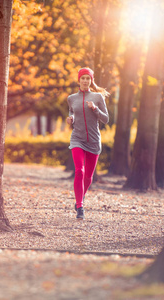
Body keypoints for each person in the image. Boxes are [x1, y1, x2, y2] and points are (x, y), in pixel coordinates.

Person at [66, 67, 110, 220]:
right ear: (79, 80)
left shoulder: (98, 97)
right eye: (82, 78)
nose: (85, 81)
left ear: (91, 81)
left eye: (88, 78)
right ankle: (80, 207)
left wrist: (95, 109)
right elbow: (72, 111)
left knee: (89, 176)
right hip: (77, 138)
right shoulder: (71, 98)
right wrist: (70, 118)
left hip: (93, 140)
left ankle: (80, 199)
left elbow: (106, 119)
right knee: (80, 171)